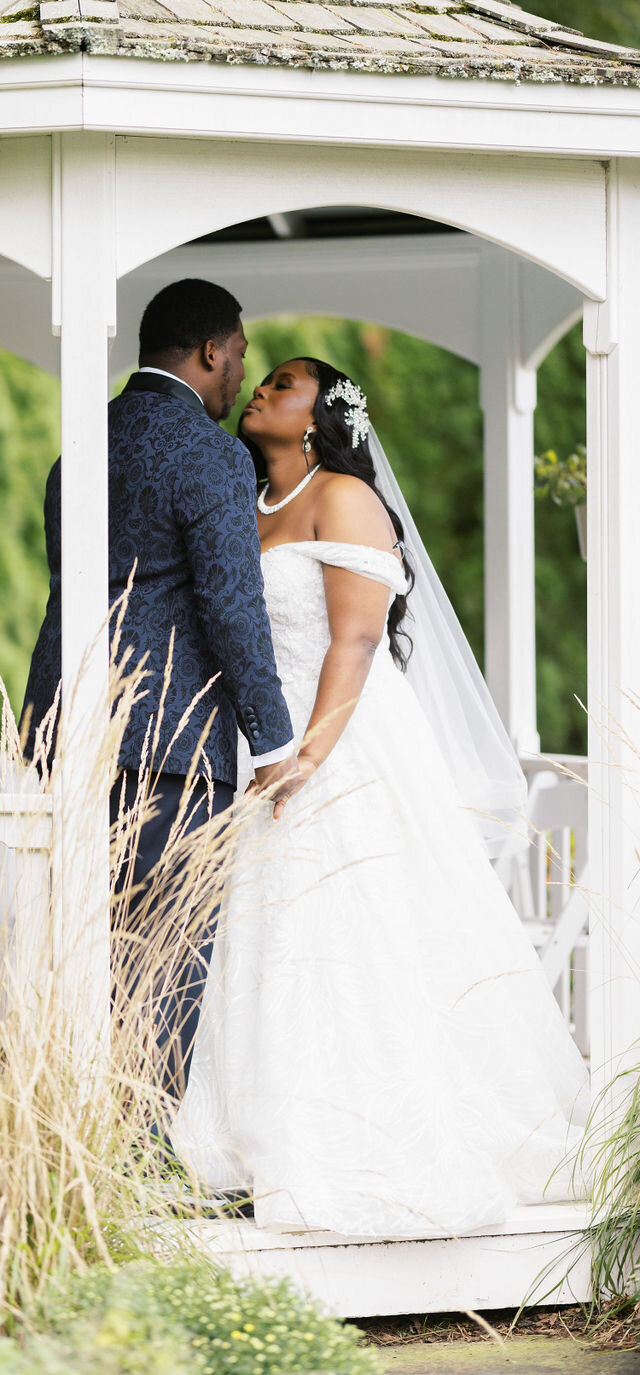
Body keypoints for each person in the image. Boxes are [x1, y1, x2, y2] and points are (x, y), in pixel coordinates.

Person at [171, 357, 589, 1237]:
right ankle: (246, 1142)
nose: (262, 388)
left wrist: (306, 755)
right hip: (266, 741)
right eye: (264, 377)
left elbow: (356, 641)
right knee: (262, 936)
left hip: (340, 742)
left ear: (321, 418)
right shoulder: (249, 501)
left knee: (347, 930)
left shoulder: (344, 498)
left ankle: (360, 1138)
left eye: (283, 384)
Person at [21, 279, 303, 1100]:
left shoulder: (78, 448)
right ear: (212, 350)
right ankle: (137, 1159)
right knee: (165, 958)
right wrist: (275, 740)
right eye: (240, 354)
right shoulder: (209, 454)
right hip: (171, 744)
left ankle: (81, 1136)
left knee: (87, 947)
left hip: (67, 728)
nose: (239, 372)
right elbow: (231, 604)